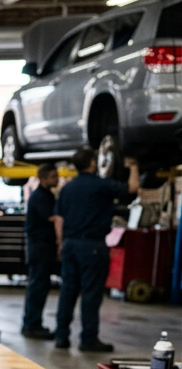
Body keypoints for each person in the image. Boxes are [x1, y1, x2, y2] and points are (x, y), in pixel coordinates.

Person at [53, 147, 138, 352]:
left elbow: (59, 218)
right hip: (92, 246)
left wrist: (60, 243)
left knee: (68, 291)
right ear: (92, 163)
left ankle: (61, 336)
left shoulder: (67, 188)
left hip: (70, 245)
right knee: (91, 293)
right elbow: (133, 188)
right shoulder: (101, 185)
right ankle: (88, 339)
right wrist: (134, 166)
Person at [21, 163, 60, 340]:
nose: (57, 179)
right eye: (53, 176)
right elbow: (52, 218)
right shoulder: (40, 197)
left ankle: (33, 323)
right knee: (38, 286)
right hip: (40, 247)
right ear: (43, 179)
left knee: (39, 285)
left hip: (43, 246)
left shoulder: (46, 195)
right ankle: (31, 324)